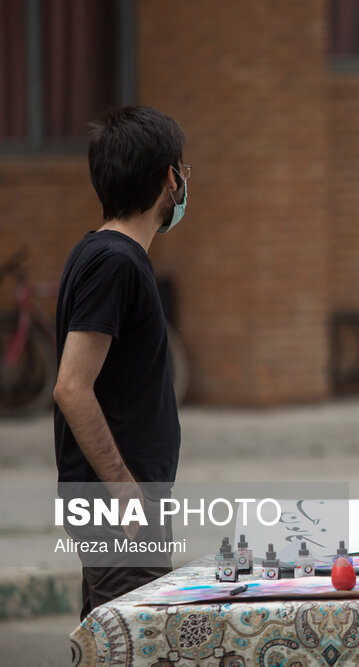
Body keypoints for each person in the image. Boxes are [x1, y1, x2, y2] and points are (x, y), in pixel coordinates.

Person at [53, 105, 188, 620]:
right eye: (183, 172)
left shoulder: (104, 255)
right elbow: (71, 386)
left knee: (107, 642)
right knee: (133, 644)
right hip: (120, 508)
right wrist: (127, 492)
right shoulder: (115, 262)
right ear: (168, 179)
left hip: (117, 504)